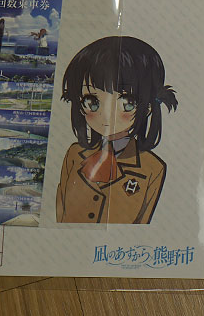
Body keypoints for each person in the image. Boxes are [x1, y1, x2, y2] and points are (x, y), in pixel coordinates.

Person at [55, 36, 176, 224]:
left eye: (127, 102)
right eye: (91, 101)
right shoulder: (74, 154)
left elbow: (140, 225)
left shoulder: (152, 168)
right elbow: (60, 213)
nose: (106, 115)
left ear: (148, 107)